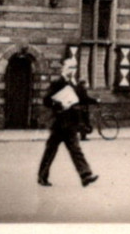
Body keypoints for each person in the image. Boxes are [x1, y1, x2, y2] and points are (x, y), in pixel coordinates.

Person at [37, 57, 99, 188]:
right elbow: (46, 100)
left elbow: (82, 99)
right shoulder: (58, 83)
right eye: (70, 67)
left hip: (70, 122)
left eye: (75, 67)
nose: (73, 70)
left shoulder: (74, 84)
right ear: (64, 68)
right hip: (59, 123)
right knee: (51, 150)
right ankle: (42, 176)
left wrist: (94, 101)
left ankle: (85, 175)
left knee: (76, 149)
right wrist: (59, 104)